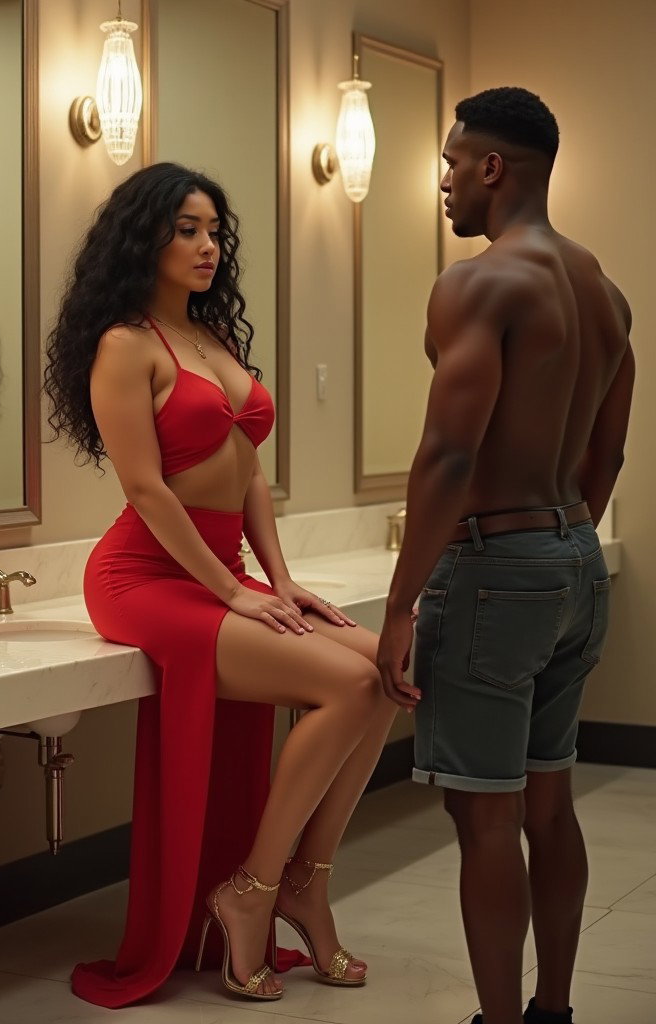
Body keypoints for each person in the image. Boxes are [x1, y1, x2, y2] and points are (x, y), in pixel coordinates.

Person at [45, 163, 397, 1007]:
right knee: (346, 682)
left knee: (383, 673)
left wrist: (279, 579)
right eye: (187, 231)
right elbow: (145, 490)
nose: (207, 247)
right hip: (143, 575)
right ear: (146, 240)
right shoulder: (124, 346)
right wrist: (232, 592)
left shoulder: (214, 340)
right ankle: (252, 891)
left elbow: (246, 478)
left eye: (213, 232)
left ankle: (301, 885)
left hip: (221, 567)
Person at [376, 88, 633, 1024]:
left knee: (484, 815)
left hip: (496, 572)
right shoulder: (604, 295)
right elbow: (607, 452)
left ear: (493, 168)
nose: (442, 182)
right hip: (571, 558)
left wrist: (401, 607)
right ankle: (552, 1012)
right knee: (548, 804)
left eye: (450, 164)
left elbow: (447, 454)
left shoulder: (479, 284)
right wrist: (560, 542)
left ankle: (497, 1020)